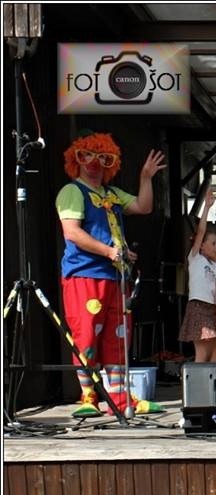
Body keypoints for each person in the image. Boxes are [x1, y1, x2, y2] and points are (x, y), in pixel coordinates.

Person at [56, 130, 166, 417]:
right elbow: (72, 232)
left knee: (118, 338)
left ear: (111, 163)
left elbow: (143, 206)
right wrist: (109, 251)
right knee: (87, 335)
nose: (94, 163)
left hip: (115, 277)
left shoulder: (112, 194)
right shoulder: (72, 191)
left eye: (103, 158)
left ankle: (119, 398)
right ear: (76, 160)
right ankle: (88, 397)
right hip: (85, 275)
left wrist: (145, 177)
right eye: (87, 156)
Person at [177, 187, 216, 363]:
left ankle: (211, 377)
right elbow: (201, 231)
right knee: (202, 351)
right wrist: (207, 207)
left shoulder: (215, 267)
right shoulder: (195, 258)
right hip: (198, 306)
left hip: (212, 309)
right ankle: (199, 379)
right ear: (201, 245)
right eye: (213, 243)